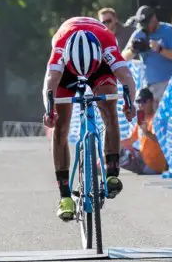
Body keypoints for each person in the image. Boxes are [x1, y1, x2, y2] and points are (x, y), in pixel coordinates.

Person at [43, 17, 137, 220]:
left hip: (100, 68)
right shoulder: (60, 49)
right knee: (60, 126)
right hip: (67, 71)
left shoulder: (107, 43)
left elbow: (127, 78)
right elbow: (49, 84)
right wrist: (50, 112)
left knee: (110, 111)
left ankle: (112, 173)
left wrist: (131, 104)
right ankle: (65, 196)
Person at [122, 5, 172, 108]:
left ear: (154, 18)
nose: (146, 27)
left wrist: (160, 49)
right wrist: (133, 49)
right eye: (143, 24)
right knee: (150, 121)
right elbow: (123, 58)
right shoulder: (140, 33)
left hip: (168, 83)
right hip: (147, 85)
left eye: (147, 23)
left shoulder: (169, 30)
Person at [120, 87, 168, 175]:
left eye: (144, 101)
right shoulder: (141, 121)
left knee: (121, 155)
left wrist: (147, 133)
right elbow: (130, 141)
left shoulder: (157, 119)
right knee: (118, 150)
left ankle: (108, 168)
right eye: (138, 102)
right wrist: (114, 146)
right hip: (144, 161)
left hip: (154, 165)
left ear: (152, 101)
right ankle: (105, 164)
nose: (141, 105)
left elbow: (162, 140)